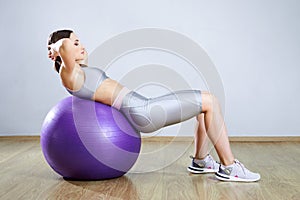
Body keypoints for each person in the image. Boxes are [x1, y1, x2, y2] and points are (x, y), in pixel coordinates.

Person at [47, 29, 260, 182]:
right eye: (75, 43)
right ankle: (230, 167)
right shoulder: (70, 75)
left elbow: (69, 48)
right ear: (61, 53)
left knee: (203, 108)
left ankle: (200, 161)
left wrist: (66, 48)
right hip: (143, 112)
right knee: (210, 101)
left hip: (142, 107)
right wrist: (55, 47)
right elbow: (63, 46)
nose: (81, 46)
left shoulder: (80, 74)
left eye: (79, 41)